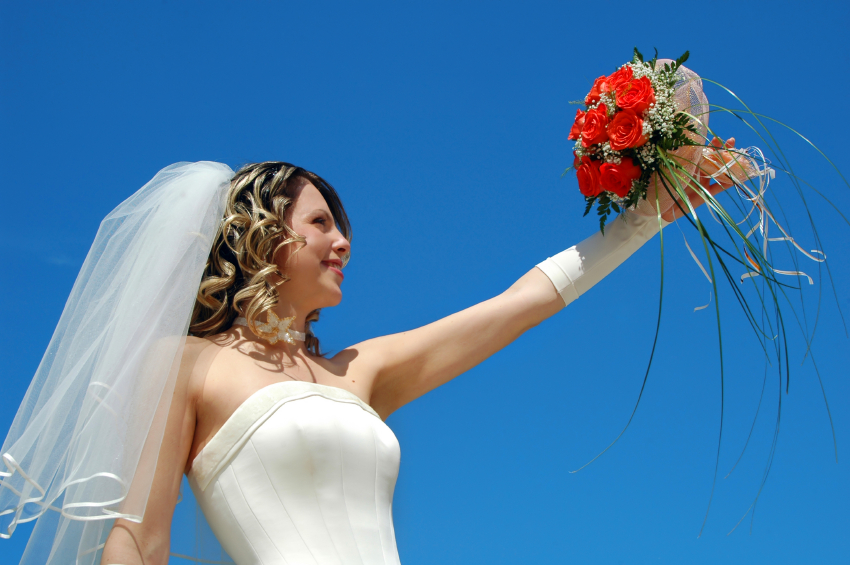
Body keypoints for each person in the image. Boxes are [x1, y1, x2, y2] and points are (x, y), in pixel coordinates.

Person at [1, 72, 744, 565]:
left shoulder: (361, 371)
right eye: (322, 222)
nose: (344, 241)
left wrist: (651, 217)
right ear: (264, 236)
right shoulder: (188, 363)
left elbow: (521, 304)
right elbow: (140, 536)